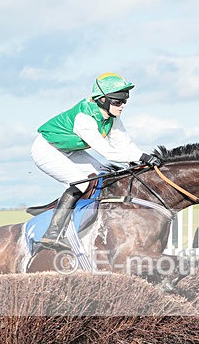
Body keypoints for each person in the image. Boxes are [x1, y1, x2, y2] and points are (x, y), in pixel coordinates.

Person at [31, 72, 162, 250]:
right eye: (117, 101)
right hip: (46, 150)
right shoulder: (84, 118)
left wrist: (144, 157)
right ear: (102, 100)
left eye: (124, 101)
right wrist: (140, 158)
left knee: (104, 176)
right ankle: (52, 234)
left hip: (69, 150)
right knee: (81, 183)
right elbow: (107, 151)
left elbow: (125, 145)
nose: (122, 106)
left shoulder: (112, 118)